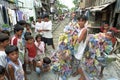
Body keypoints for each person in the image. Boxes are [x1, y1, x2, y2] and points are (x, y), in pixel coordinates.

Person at [72, 16, 88, 80]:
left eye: (82, 21)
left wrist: (74, 37)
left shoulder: (84, 30)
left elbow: (79, 40)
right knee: (76, 62)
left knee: (79, 64)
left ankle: (83, 77)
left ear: (85, 22)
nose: (80, 22)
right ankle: (76, 72)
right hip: (77, 49)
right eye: (79, 21)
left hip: (80, 50)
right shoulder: (80, 29)